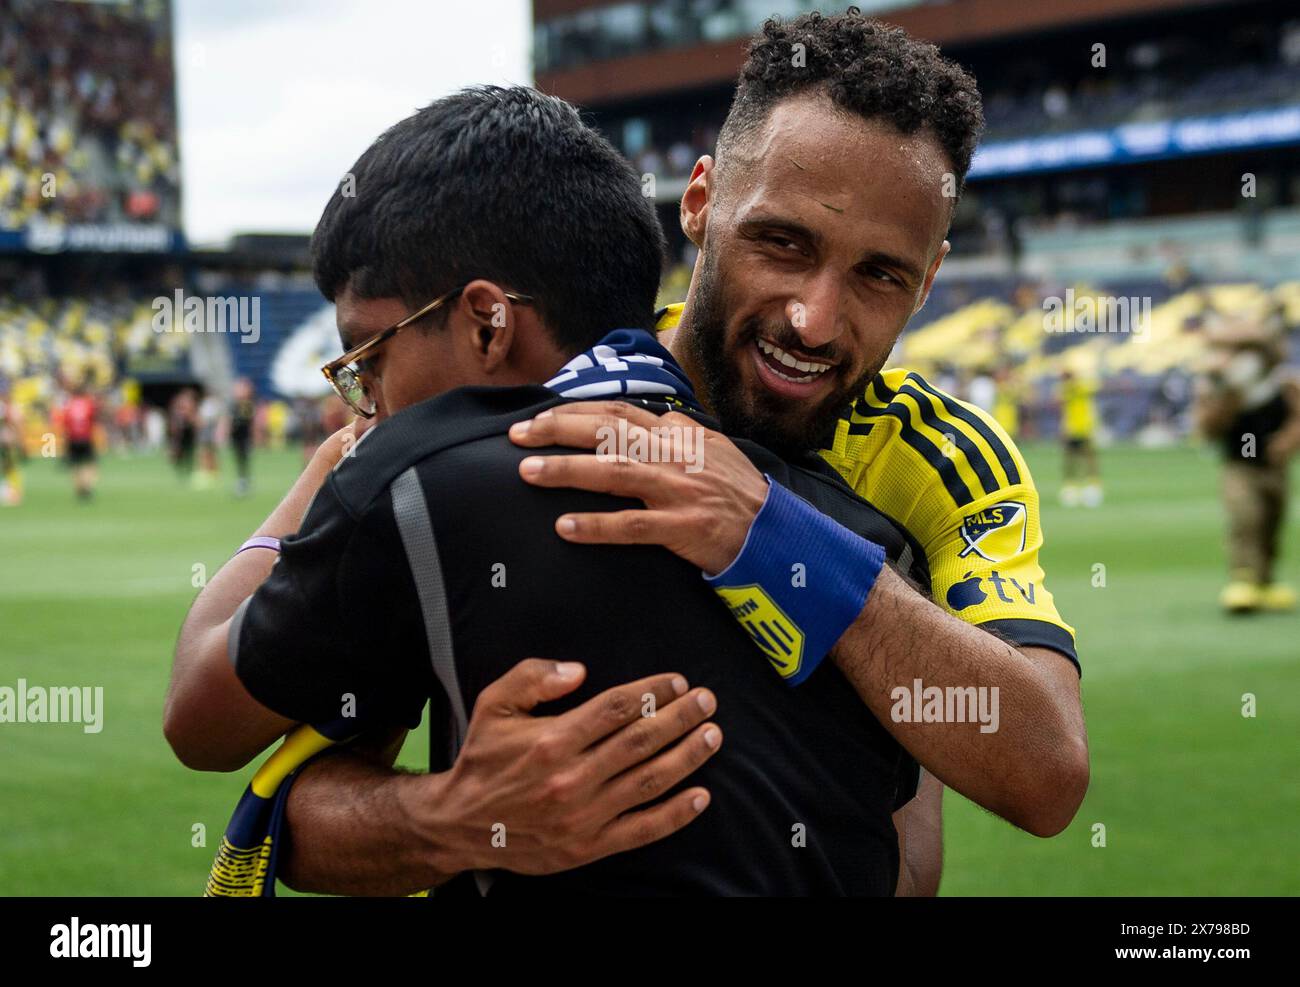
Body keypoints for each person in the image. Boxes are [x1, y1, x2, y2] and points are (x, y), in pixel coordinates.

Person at [236, 13, 1088, 896]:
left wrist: (768, 530)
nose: (816, 320)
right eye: (782, 243)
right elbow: (284, 818)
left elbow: (1044, 771)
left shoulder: (943, 462)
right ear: (700, 203)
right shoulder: (548, 397)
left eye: (881, 275)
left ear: (931, 277)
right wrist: (450, 816)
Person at [1196, 313, 1300, 613]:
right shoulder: (1221, 389)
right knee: (1246, 516)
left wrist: (1286, 442)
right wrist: (1228, 400)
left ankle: (1266, 581)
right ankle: (1243, 577)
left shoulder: (1282, 384)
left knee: (1272, 520)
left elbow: (1296, 419)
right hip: (1239, 467)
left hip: (1274, 468)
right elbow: (1207, 428)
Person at [1059, 367, 1102, 506]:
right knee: (1073, 459)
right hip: (1073, 428)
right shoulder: (1067, 389)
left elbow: (1096, 387)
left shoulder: (1081, 386)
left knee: (1088, 458)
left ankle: (1092, 485)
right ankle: (1073, 486)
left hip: (1083, 427)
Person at [60, 380, 99, 501]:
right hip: (85, 437)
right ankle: (87, 486)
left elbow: (65, 424)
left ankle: (78, 489)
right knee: (89, 464)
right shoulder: (88, 403)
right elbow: (93, 420)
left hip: (72, 438)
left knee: (75, 465)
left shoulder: (69, 405)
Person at [228, 378, 256, 496]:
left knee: (243, 458)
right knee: (239, 458)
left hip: (244, 437)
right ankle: (242, 479)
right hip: (236, 436)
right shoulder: (235, 405)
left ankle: (244, 481)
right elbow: (231, 420)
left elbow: (249, 422)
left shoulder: (247, 404)